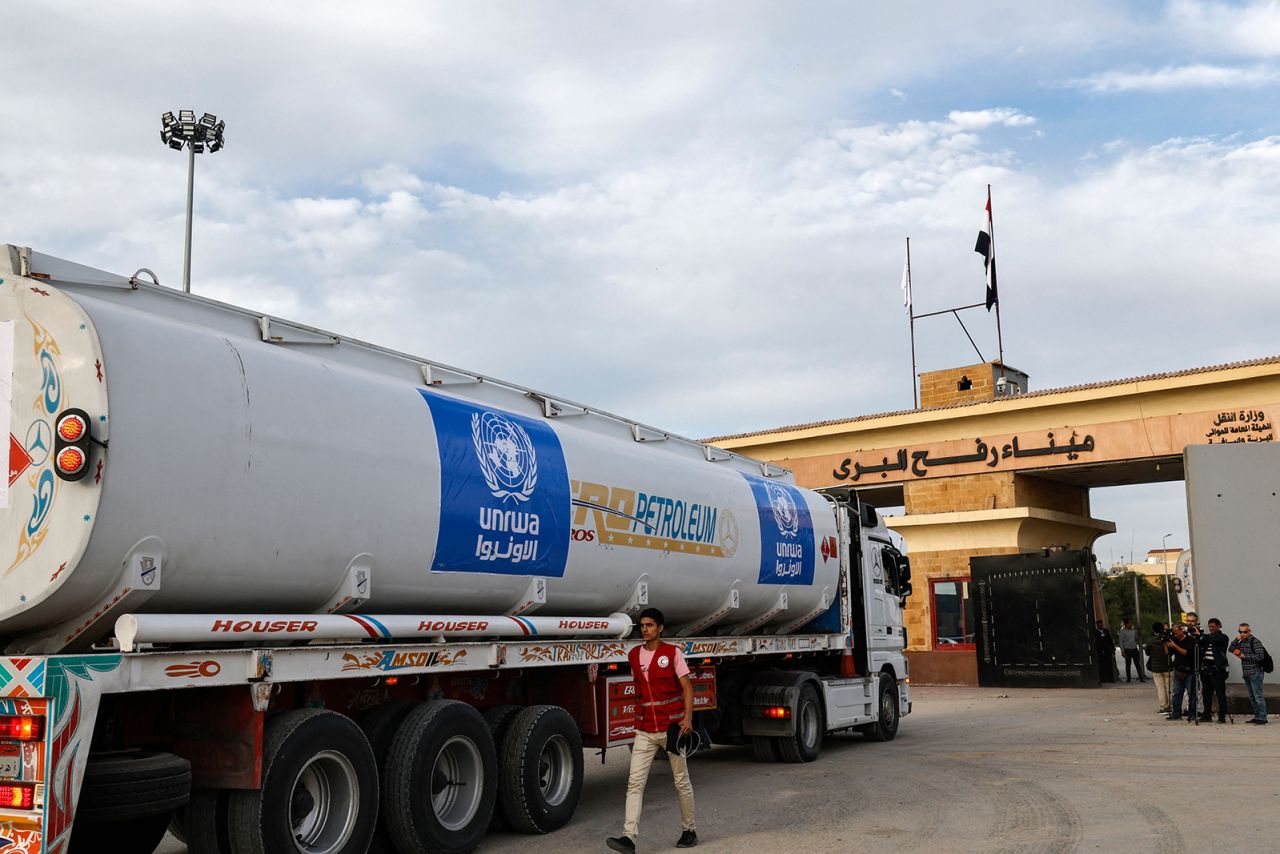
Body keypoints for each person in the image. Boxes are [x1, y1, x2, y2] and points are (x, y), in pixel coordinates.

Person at [607, 608, 697, 852]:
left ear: (660, 628)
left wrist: (687, 719)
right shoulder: (634, 655)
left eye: (649, 625)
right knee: (634, 783)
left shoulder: (672, 653)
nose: (645, 629)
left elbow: (687, 688)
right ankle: (629, 837)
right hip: (645, 729)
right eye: (642, 625)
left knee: (681, 781)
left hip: (671, 729)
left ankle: (689, 829)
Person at [1229, 622, 1268, 725]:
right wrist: (1236, 640)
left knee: (1258, 696)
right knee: (1252, 696)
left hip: (1255, 672)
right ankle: (1257, 716)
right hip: (1246, 673)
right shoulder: (1241, 641)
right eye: (1240, 632)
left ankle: (1263, 717)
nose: (1242, 634)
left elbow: (1260, 657)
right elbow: (1230, 649)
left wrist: (1244, 656)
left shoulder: (1255, 642)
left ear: (1250, 631)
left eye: (1245, 632)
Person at [1197, 618, 1230, 722]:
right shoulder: (1206, 637)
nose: (1211, 629)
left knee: (1220, 694)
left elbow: (1214, 640)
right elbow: (1199, 643)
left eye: (1213, 627)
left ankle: (1222, 717)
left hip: (1218, 670)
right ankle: (1207, 715)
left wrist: (1201, 636)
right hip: (1206, 669)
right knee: (1206, 693)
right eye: (1210, 627)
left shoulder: (1223, 637)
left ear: (1219, 626)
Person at [1166, 622, 1198, 721]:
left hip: (1189, 671)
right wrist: (1166, 643)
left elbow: (1186, 653)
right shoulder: (1174, 640)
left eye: (1176, 632)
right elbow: (1167, 653)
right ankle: (1176, 713)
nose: (1175, 635)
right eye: (1173, 633)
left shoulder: (1190, 640)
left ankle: (1192, 714)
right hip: (1178, 670)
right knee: (1177, 693)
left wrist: (1174, 645)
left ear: (1181, 630)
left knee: (1191, 693)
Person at [1145, 622, 1173, 715]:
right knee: (1169, 687)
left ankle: (1164, 706)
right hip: (1167, 666)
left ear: (1153, 630)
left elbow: (1147, 652)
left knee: (1160, 688)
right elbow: (1171, 652)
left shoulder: (1150, 640)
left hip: (1156, 668)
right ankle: (1171, 706)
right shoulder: (1167, 639)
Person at [1118, 619, 1145, 683]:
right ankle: (1128, 678)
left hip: (1134, 648)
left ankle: (1141, 678)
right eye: (1129, 623)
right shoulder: (1122, 631)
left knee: (1137, 664)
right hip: (1127, 649)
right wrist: (1122, 651)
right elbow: (1121, 641)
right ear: (1126, 624)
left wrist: (1138, 634)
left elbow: (1136, 639)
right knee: (1128, 664)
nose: (1131, 624)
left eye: (1131, 623)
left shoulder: (1134, 631)